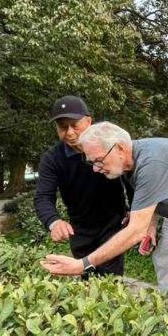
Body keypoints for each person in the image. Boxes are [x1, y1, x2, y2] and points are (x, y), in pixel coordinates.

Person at [40, 122, 168, 322]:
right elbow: (154, 194)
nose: (96, 169)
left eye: (98, 161)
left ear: (120, 148)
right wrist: (150, 226)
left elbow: (134, 231)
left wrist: (83, 264)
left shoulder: (151, 162)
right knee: (164, 260)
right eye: (92, 163)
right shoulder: (125, 164)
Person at [33, 97, 131, 276]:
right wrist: (53, 222)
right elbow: (43, 197)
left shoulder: (109, 146)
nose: (70, 133)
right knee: (86, 278)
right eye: (63, 127)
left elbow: (130, 175)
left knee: (110, 281)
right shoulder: (52, 159)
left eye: (75, 125)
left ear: (89, 121)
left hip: (111, 224)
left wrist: (134, 207)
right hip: (80, 229)